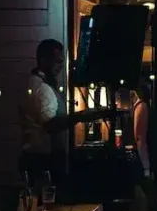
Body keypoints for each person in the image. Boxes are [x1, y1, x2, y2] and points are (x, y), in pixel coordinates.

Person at [19, 39, 118, 186]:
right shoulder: (42, 89)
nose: (60, 67)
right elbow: (51, 124)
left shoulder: (35, 83)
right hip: (42, 161)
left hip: (38, 158)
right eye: (57, 62)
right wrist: (82, 116)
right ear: (44, 60)